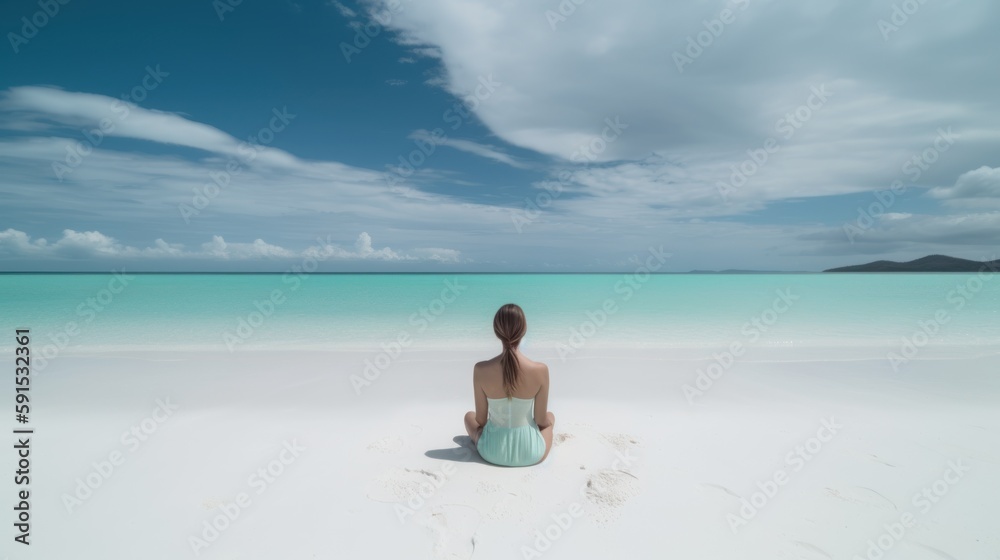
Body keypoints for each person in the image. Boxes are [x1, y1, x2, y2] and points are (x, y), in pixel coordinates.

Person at [464, 303, 555, 466]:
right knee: (550, 418)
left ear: (496, 331)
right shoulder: (540, 370)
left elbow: (481, 421)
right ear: (523, 330)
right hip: (532, 453)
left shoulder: (480, 369)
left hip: (491, 452)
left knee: (468, 417)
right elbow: (541, 421)